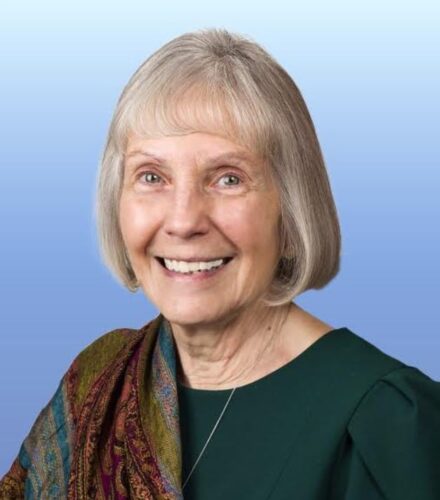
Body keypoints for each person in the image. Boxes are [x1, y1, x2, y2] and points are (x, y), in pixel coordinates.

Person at [1, 28, 439, 500]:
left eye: (228, 179)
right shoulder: (95, 386)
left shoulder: (382, 422)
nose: (183, 221)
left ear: (292, 212)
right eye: (152, 177)